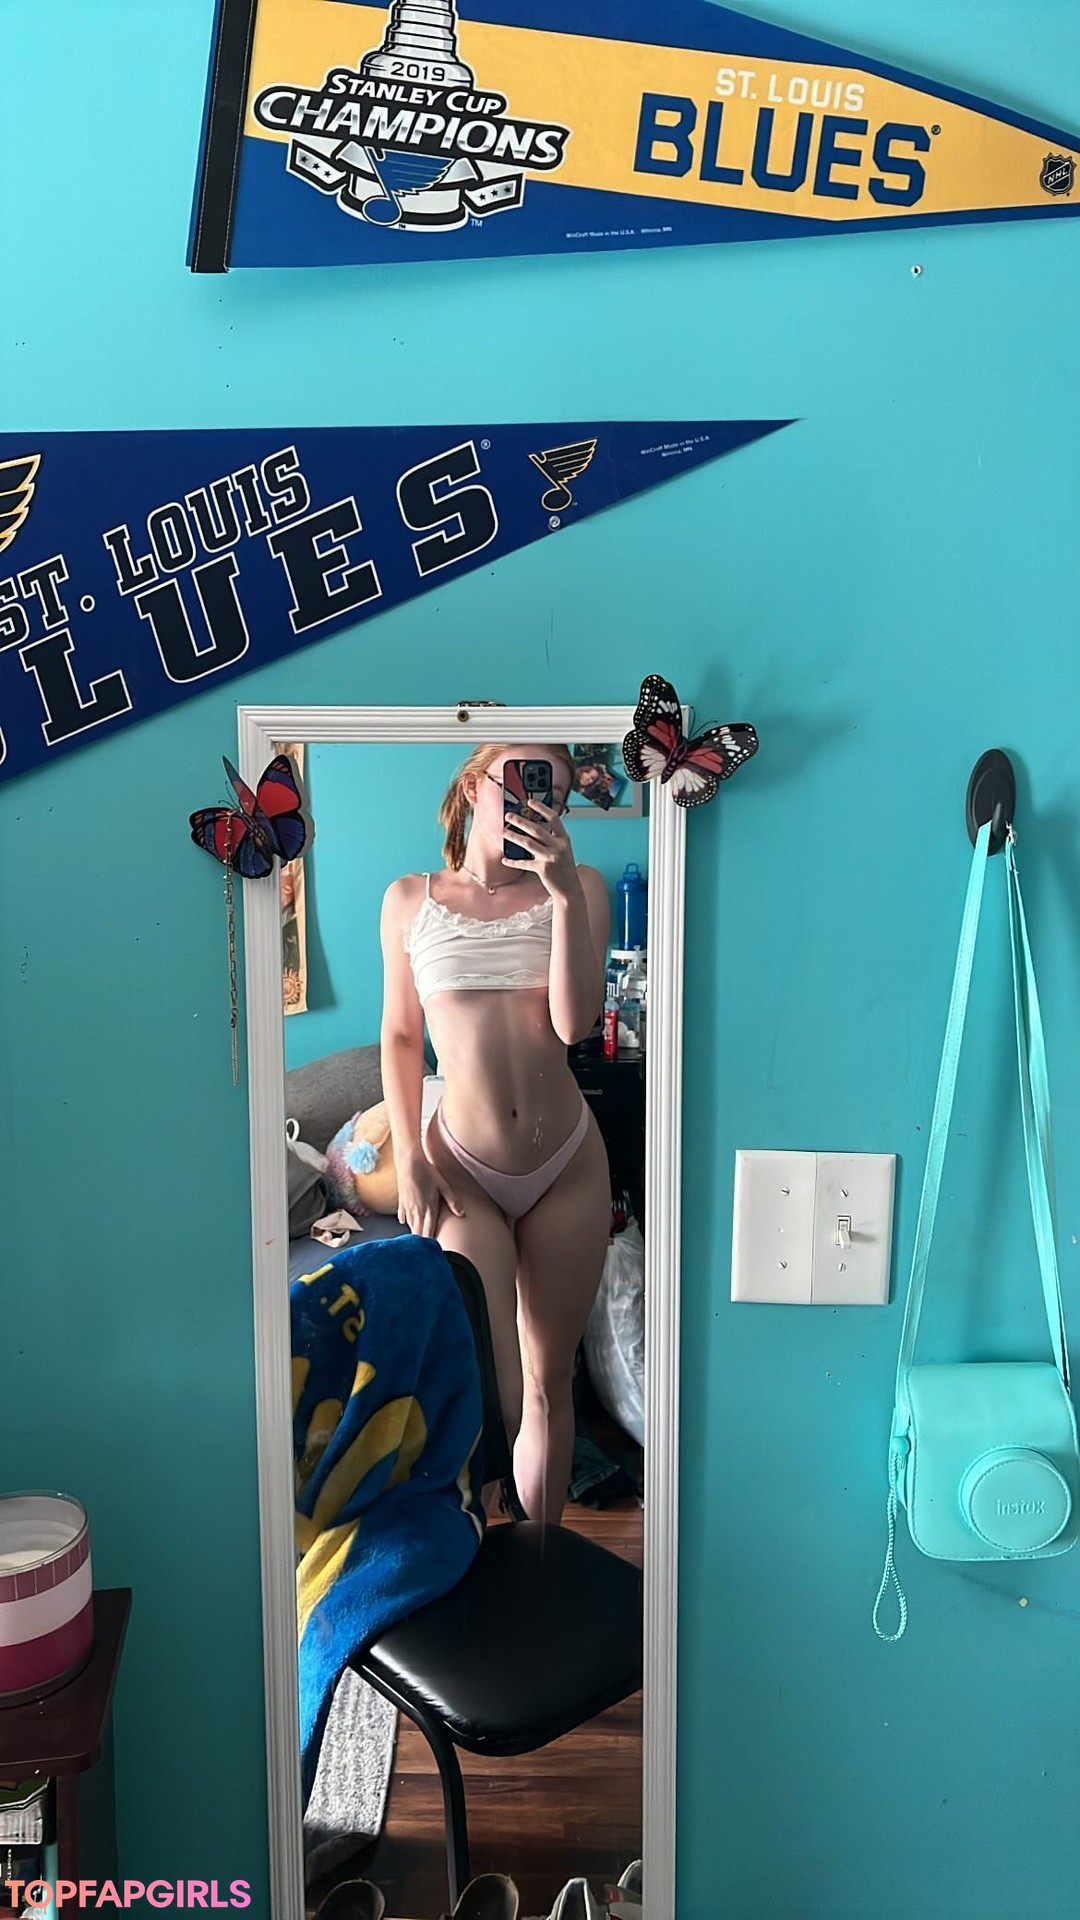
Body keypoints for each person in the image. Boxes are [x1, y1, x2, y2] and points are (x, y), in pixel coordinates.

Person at [379, 744, 612, 1523]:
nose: (535, 799)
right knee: (496, 1390)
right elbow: (401, 1038)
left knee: (549, 1386)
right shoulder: (409, 899)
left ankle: (542, 1559)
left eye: (553, 790)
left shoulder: (580, 886)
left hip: (566, 1165)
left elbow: (574, 1025)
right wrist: (408, 1159)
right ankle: (479, 1549)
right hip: (461, 1170)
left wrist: (564, 894)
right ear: (475, 785)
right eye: (520, 778)